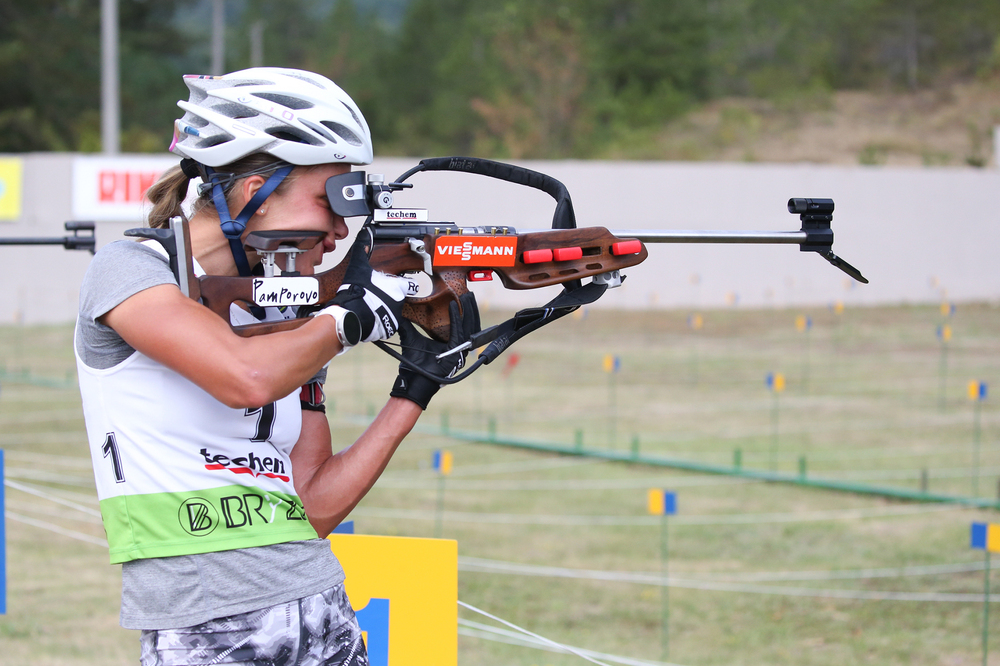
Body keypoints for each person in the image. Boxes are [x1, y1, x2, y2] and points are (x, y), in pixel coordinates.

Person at [74, 67, 479, 665]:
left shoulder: (286, 313)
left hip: (322, 610)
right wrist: (352, 316)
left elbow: (311, 508)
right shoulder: (131, 269)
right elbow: (246, 378)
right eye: (330, 199)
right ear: (250, 192)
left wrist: (415, 389)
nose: (343, 228)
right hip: (207, 629)